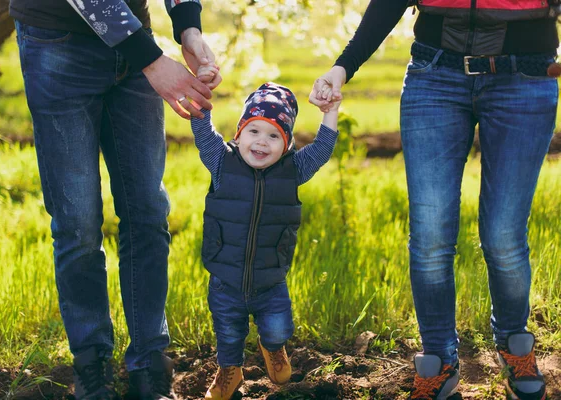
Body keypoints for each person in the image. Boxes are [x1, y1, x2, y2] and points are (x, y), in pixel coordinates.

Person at [310, 1, 558, 399]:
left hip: (526, 77)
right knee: (429, 237)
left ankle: (515, 345)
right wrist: (343, 66)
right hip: (435, 74)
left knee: (503, 235)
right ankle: (439, 361)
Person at [10, 0, 220, 398]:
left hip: (134, 43)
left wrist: (188, 27)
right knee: (78, 223)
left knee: (148, 211)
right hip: (57, 44)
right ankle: (91, 365)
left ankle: (149, 363)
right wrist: (154, 61)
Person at [189, 82, 340, 400]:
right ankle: (230, 371)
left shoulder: (293, 170)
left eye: (274, 135)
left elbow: (322, 150)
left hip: (271, 279)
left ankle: (272, 348)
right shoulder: (222, 163)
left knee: (278, 329)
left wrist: (330, 112)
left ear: (286, 145)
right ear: (239, 134)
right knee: (228, 333)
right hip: (225, 278)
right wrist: (200, 95)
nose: (262, 142)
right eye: (254, 131)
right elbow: (203, 133)